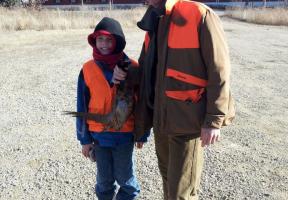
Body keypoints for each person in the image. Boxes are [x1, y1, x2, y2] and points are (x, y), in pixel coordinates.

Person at [112, 0, 235, 199]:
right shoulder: (154, 18)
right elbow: (147, 70)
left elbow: (219, 71)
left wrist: (214, 119)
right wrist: (126, 73)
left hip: (187, 122)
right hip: (161, 120)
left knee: (182, 192)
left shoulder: (199, 14)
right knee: (169, 183)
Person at [76, 17, 149, 200]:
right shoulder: (87, 69)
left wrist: (142, 133)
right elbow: (81, 105)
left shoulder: (132, 66)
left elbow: (141, 104)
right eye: (100, 39)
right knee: (104, 181)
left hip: (124, 135)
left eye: (109, 39)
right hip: (98, 137)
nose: (104, 44)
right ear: (94, 41)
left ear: (118, 42)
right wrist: (84, 139)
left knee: (126, 179)